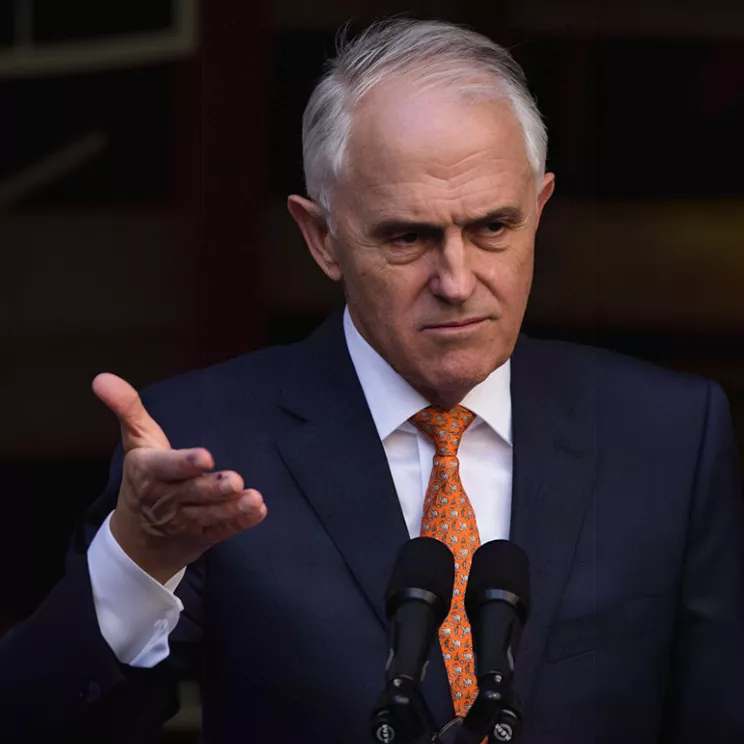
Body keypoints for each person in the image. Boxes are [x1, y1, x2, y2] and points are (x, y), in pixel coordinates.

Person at [2, 18, 743, 744]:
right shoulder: (205, 444)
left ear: (539, 210)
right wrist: (138, 561)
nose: (457, 281)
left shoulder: (669, 436)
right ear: (321, 237)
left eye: (492, 227)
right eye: (408, 236)